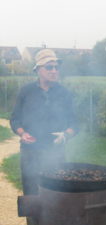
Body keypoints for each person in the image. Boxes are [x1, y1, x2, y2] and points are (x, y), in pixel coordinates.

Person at [10, 49, 78, 225]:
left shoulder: (65, 93)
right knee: (32, 196)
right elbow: (15, 119)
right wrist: (22, 133)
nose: (54, 71)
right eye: (49, 67)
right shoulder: (26, 91)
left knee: (56, 196)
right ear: (38, 70)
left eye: (57, 67)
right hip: (30, 154)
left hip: (56, 154)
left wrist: (65, 135)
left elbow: (75, 124)